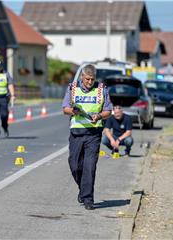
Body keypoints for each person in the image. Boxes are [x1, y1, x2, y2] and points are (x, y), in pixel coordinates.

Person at [62, 64, 112, 210]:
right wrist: (73, 111)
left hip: (93, 134)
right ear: (82, 77)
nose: (90, 82)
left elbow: (108, 110)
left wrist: (100, 115)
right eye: (87, 79)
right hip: (76, 133)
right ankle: (83, 190)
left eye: (92, 79)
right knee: (75, 165)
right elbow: (64, 109)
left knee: (89, 167)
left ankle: (88, 199)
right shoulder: (72, 88)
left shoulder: (101, 89)